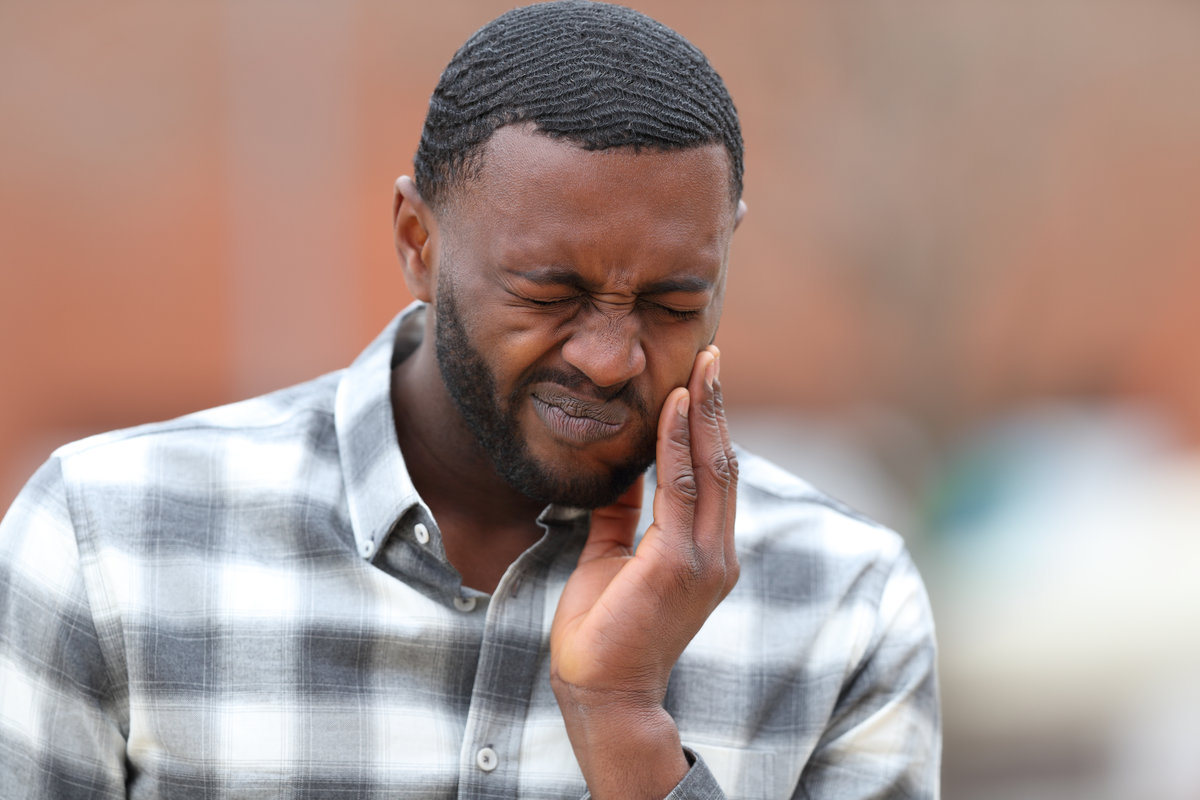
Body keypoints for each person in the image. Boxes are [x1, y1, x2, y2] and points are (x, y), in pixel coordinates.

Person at [0, 2, 939, 798]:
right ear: (418, 242)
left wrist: (625, 732)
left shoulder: (844, 604)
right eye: (548, 294)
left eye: (671, 304)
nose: (611, 359)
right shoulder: (107, 543)